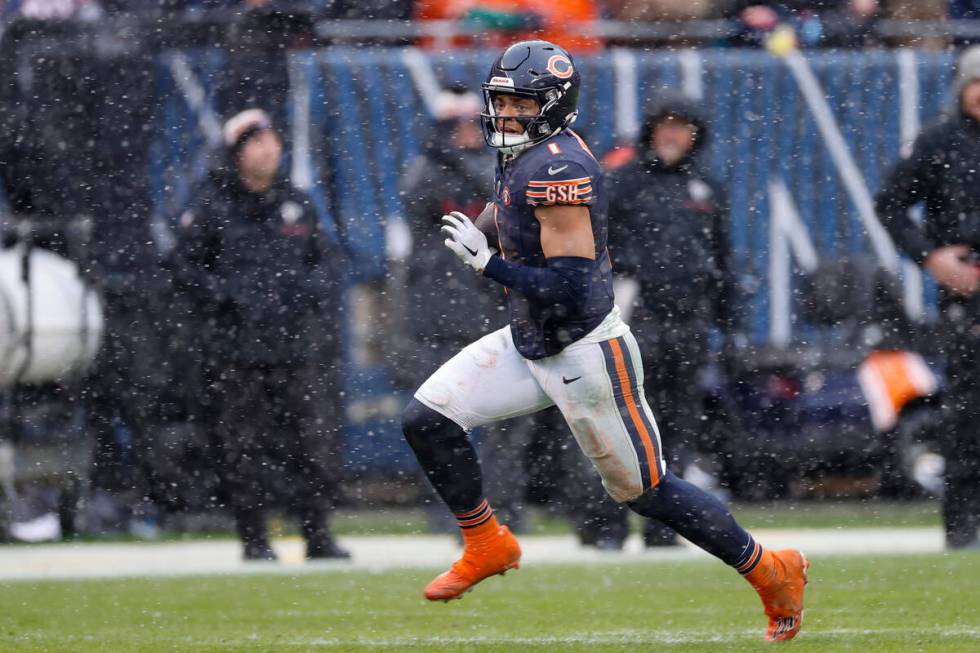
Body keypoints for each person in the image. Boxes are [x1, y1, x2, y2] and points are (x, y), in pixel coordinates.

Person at [400, 40, 809, 642]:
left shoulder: (560, 168)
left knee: (646, 491)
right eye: (502, 101)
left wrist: (489, 264)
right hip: (532, 339)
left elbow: (565, 285)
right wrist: (487, 226)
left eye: (520, 103)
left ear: (553, 105)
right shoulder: (529, 152)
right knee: (427, 419)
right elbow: (511, 207)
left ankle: (771, 569)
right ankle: (487, 541)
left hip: (586, 350)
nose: (506, 115)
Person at [170, 108, 349, 561]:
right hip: (234, 351)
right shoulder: (210, 205)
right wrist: (228, 298)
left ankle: (317, 534)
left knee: (308, 443)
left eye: (274, 142)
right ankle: (254, 538)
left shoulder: (297, 201)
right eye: (257, 142)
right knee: (243, 446)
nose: (270, 151)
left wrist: (307, 295)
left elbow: (327, 261)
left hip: (293, 347)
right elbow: (184, 269)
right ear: (236, 153)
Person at [600, 92, 736, 549]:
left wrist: (729, 322)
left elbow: (723, 257)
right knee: (624, 422)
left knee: (679, 424)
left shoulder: (707, 187)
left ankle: (665, 526)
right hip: (634, 321)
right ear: (650, 131)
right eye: (665, 125)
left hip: (689, 321)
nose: (673, 135)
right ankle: (608, 525)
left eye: (683, 126)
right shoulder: (622, 184)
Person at [874, 45, 980, 550]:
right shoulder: (939, 142)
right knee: (966, 411)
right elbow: (890, 205)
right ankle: (962, 529)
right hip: (966, 298)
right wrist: (931, 257)